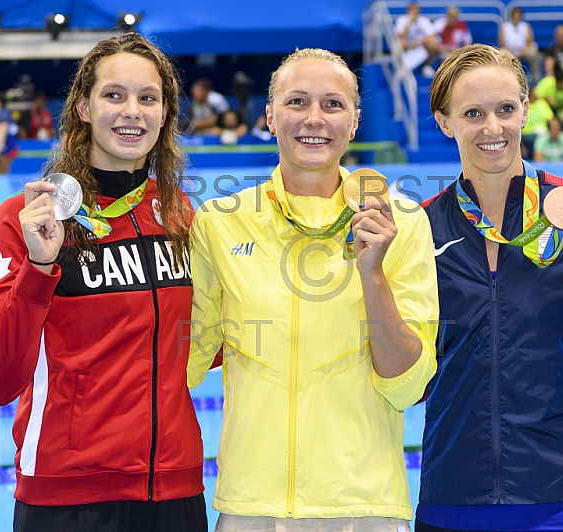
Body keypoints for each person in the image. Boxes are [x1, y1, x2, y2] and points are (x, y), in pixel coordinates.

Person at [188, 47, 439, 531]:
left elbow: (408, 385)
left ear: (355, 120)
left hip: (365, 505)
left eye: (333, 104)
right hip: (251, 505)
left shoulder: (403, 223)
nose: (314, 119)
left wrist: (373, 273)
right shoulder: (220, 224)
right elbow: (184, 361)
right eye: (297, 101)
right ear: (269, 115)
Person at [0, 33, 207, 532]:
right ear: (82, 106)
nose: (132, 112)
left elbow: (210, 340)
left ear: (166, 114)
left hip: (174, 489)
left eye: (148, 98)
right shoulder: (25, 218)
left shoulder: (181, 214)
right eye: (114, 95)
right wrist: (38, 268)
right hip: (67, 493)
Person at [421, 43, 563, 532]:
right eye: (473, 113)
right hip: (453, 505)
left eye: (506, 109)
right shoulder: (423, 226)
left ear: (526, 110)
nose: (493, 128)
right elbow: (407, 386)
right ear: (445, 122)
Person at [396, 2, 440, 77]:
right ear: (408, 11)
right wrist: (409, 23)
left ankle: (426, 66)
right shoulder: (402, 20)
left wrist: (419, 41)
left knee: (433, 43)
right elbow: (400, 36)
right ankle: (401, 66)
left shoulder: (423, 20)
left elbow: (432, 35)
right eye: (413, 10)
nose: (415, 12)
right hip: (406, 46)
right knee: (400, 43)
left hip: (419, 46)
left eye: (417, 10)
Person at [498, 6, 541, 84]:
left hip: (524, 50)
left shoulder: (526, 26)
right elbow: (502, 42)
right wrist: (511, 51)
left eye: (518, 14)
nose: (517, 16)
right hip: (509, 50)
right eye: (515, 14)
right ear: (511, 15)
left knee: (534, 53)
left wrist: (523, 51)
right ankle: (504, 77)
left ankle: (535, 78)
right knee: (502, 52)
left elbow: (530, 41)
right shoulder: (505, 26)